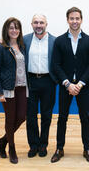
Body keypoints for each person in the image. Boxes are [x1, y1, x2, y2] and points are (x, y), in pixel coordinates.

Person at [51, 7, 89, 164]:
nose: (75, 21)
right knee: (62, 118)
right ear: (67, 20)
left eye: (77, 18)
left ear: (81, 20)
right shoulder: (59, 41)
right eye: (72, 18)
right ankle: (59, 148)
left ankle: (87, 149)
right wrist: (68, 84)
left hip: (82, 88)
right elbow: (56, 65)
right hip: (65, 87)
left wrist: (80, 84)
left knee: (85, 118)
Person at [0, 17, 27, 164]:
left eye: (17, 27)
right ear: (6, 30)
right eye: (11, 27)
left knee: (22, 117)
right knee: (10, 119)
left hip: (23, 87)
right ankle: (11, 148)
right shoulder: (0, 47)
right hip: (8, 89)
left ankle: (3, 140)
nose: (14, 30)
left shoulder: (22, 46)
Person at [24, 14, 57, 158]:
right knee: (30, 116)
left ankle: (43, 145)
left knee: (46, 116)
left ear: (46, 24)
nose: (39, 25)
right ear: (32, 24)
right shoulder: (24, 40)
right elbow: (10, 44)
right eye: (36, 22)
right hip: (30, 81)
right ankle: (33, 145)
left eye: (41, 22)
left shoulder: (54, 41)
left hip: (48, 81)